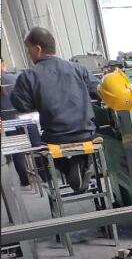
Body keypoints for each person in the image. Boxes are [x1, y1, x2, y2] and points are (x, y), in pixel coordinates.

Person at [10, 27, 100, 193]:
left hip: (55, 138)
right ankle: (80, 163)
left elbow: (21, 105)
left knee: (41, 145)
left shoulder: (28, 76)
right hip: (86, 133)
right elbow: (98, 91)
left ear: (38, 49)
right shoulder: (79, 69)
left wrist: (40, 98)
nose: (28, 53)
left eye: (29, 49)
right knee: (90, 136)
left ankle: (70, 168)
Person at [1, 59, 49, 188]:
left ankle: (25, 181)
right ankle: (45, 177)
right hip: (27, 118)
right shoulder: (17, 77)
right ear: (3, 64)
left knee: (17, 152)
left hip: (9, 123)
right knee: (37, 147)